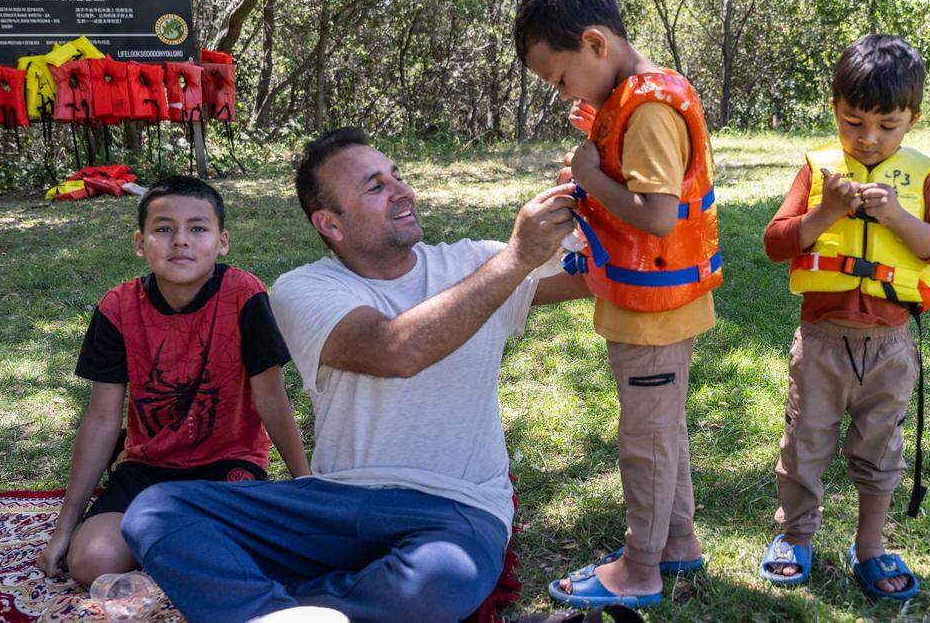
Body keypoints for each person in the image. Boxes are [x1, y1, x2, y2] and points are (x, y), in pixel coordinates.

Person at [119, 128, 592, 623]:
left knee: (439, 582)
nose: (403, 191)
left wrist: (599, 194)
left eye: (397, 176)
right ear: (331, 223)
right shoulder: (303, 289)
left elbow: (600, 274)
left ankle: (276, 610)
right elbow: (394, 351)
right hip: (333, 505)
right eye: (375, 186)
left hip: (456, 509)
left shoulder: (475, 264)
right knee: (156, 511)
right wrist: (516, 258)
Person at [514, 0, 722, 608]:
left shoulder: (651, 109)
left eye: (560, 75)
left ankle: (640, 569)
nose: (560, 91)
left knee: (645, 442)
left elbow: (657, 215)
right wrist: (595, 135)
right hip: (651, 306)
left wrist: (587, 174)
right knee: (662, 433)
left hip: (654, 313)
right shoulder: (627, 98)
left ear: (597, 44)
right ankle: (678, 544)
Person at [759, 35, 930, 599]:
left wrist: (897, 216)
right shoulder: (818, 170)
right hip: (822, 340)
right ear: (835, 110)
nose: (869, 139)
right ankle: (795, 535)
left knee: (881, 448)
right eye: (853, 123)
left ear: (912, 120)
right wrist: (826, 209)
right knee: (806, 441)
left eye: (887, 126)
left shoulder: (922, 178)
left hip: (891, 345)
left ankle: (869, 546)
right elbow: (776, 243)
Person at [37, 175, 311, 586]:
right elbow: (101, 418)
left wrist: (307, 488)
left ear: (222, 242)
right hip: (148, 467)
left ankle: (171, 532)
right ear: (139, 242)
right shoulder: (117, 307)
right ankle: (171, 528)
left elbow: (272, 400)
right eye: (163, 229)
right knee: (91, 563)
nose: (180, 240)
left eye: (198, 228)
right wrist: (65, 526)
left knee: (249, 554)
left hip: (228, 464)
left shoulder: (245, 295)